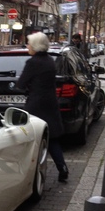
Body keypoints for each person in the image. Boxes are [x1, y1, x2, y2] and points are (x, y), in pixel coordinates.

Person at [16, 32, 69, 183]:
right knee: (51, 138)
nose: (27, 46)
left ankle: (31, 173)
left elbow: (21, 84)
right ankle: (62, 168)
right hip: (50, 103)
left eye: (29, 44)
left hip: (35, 105)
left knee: (32, 137)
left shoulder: (33, 62)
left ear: (35, 46)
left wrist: (26, 87)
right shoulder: (50, 61)